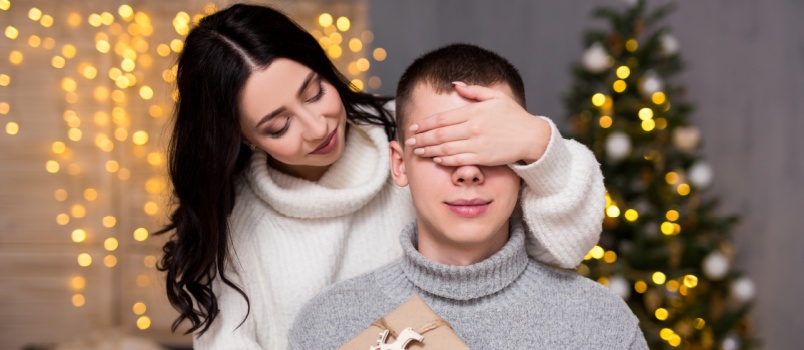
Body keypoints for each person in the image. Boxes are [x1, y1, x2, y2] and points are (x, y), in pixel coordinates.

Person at [157, 4, 605, 349]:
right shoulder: (233, 225)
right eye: (278, 126)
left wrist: (539, 142)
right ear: (241, 136)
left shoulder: (422, 134)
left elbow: (563, 246)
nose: (317, 128)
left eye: (314, 92)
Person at [289, 43, 647, 349]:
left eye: (490, 148)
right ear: (400, 165)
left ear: (524, 162)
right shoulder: (327, 326)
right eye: (439, 148)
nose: (468, 170)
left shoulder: (601, 324)